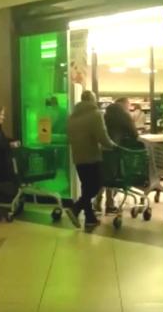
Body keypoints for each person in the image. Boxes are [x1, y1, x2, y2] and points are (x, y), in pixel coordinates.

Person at [66, 91, 116, 230]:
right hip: (92, 156)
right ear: (93, 100)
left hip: (78, 157)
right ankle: (75, 208)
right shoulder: (95, 114)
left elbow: (69, 137)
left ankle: (90, 218)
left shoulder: (72, 116)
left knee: (86, 187)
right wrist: (112, 146)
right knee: (96, 186)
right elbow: (102, 136)